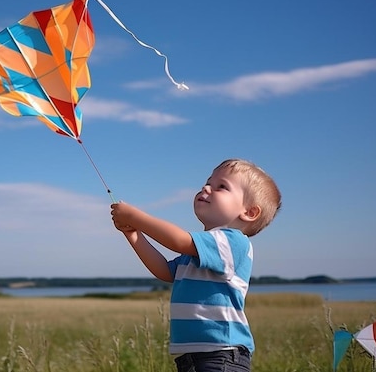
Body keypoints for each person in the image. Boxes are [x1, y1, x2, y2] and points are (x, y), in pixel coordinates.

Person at [110, 158, 281, 372]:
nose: (206, 187)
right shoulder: (199, 251)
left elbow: (178, 241)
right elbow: (164, 270)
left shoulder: (234, 242)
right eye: (207, 182)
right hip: (192, 358)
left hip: (222, 355)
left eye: (221, 187)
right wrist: (133, 234)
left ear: (249, 212)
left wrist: (136, 217)